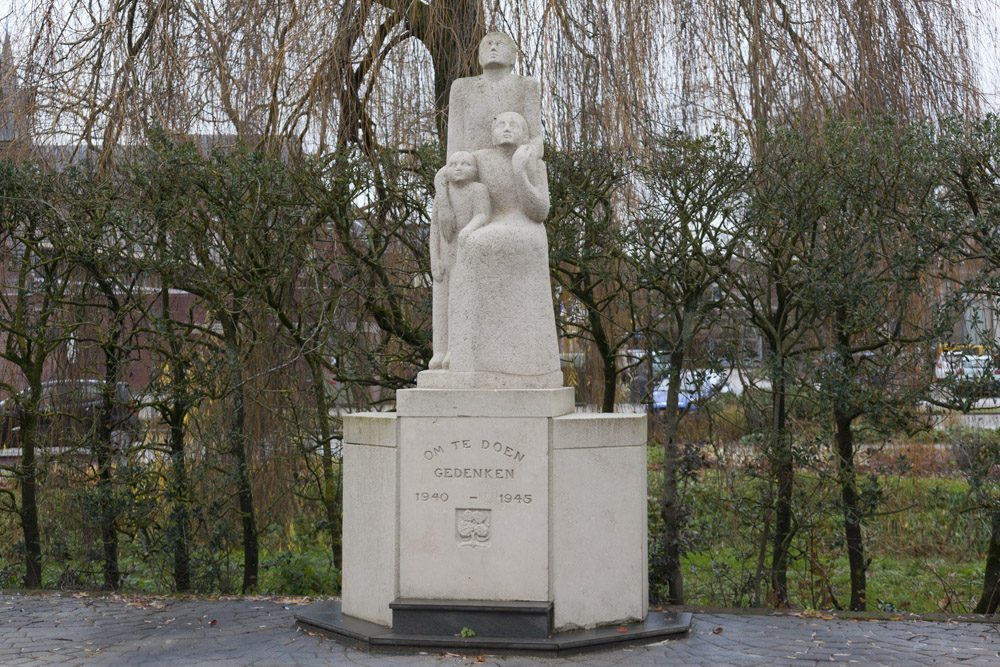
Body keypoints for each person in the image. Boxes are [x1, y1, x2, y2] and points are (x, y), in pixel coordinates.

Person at [445, 112, 561, 387]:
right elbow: (447, 174)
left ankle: (502, 359)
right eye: (501, 124)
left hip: (525, 229)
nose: (507, 129)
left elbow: (539, 211)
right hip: (489, 222)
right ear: (492, 131)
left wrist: (520, 170)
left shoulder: (532, 163)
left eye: (515, 125)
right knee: (471, 244)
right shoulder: (481, 159)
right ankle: (468, 353)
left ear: (524, 133)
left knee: (476, 245)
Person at [428, 151, 490, 370]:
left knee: (458, 301)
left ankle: (455, 350)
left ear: (474, 170)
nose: (459, 167)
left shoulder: (478, 190)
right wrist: (434, 258)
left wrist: (467, 231)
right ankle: (439, 351)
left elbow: (483, 214)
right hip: (444, 258)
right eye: (453, 164)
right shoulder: (442, 196)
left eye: (465, 164)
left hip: (464, 256)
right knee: (441, 303)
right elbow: (434, 229)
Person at [446, 32, 543, 157]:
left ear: (512, 56)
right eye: (488, 44)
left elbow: (536, 140)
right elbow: (454, 144)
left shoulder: (526, 86)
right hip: (471, 165)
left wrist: (526, 154)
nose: (493, 48)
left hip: (513, 162)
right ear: (480, 57)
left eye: (500, 44)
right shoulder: (462, 87)